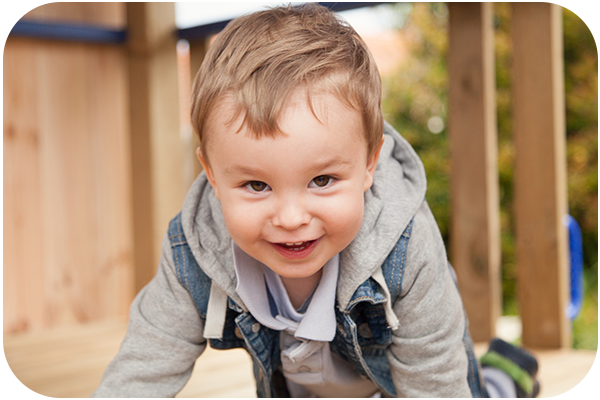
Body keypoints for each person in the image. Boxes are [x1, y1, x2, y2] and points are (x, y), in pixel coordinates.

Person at [93, 4, 539, 398]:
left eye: (322, 180)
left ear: (369, 164)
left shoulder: (406, 247)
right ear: (210, 174)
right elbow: (144, 364)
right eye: (256, 186)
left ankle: (504, 374)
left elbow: (435, 386)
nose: (290, 218)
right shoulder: (196, 249)